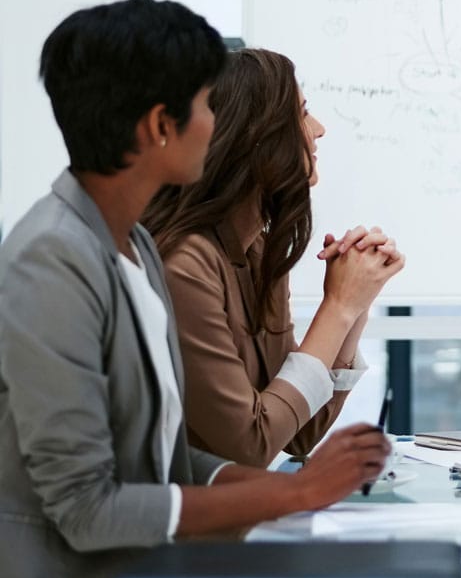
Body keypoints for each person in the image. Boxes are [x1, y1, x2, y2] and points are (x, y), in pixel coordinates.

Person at [0, 0, 391, 578]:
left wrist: (287, 491)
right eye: (209, 104)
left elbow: (164, 458)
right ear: (161, 126)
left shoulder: (131, 246)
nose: (219, 122)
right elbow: (85, 507)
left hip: (147, 573)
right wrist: (291, 492)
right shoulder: (51, 259)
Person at [143, 48, 405, 467]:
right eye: (302, 113)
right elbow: (250, 443)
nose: (318, 130)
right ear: (255, 137)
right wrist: (336, 309)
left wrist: (355, 304)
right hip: (177, 521)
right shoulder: (185, 265)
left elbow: (299, 434)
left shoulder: (257, 249)